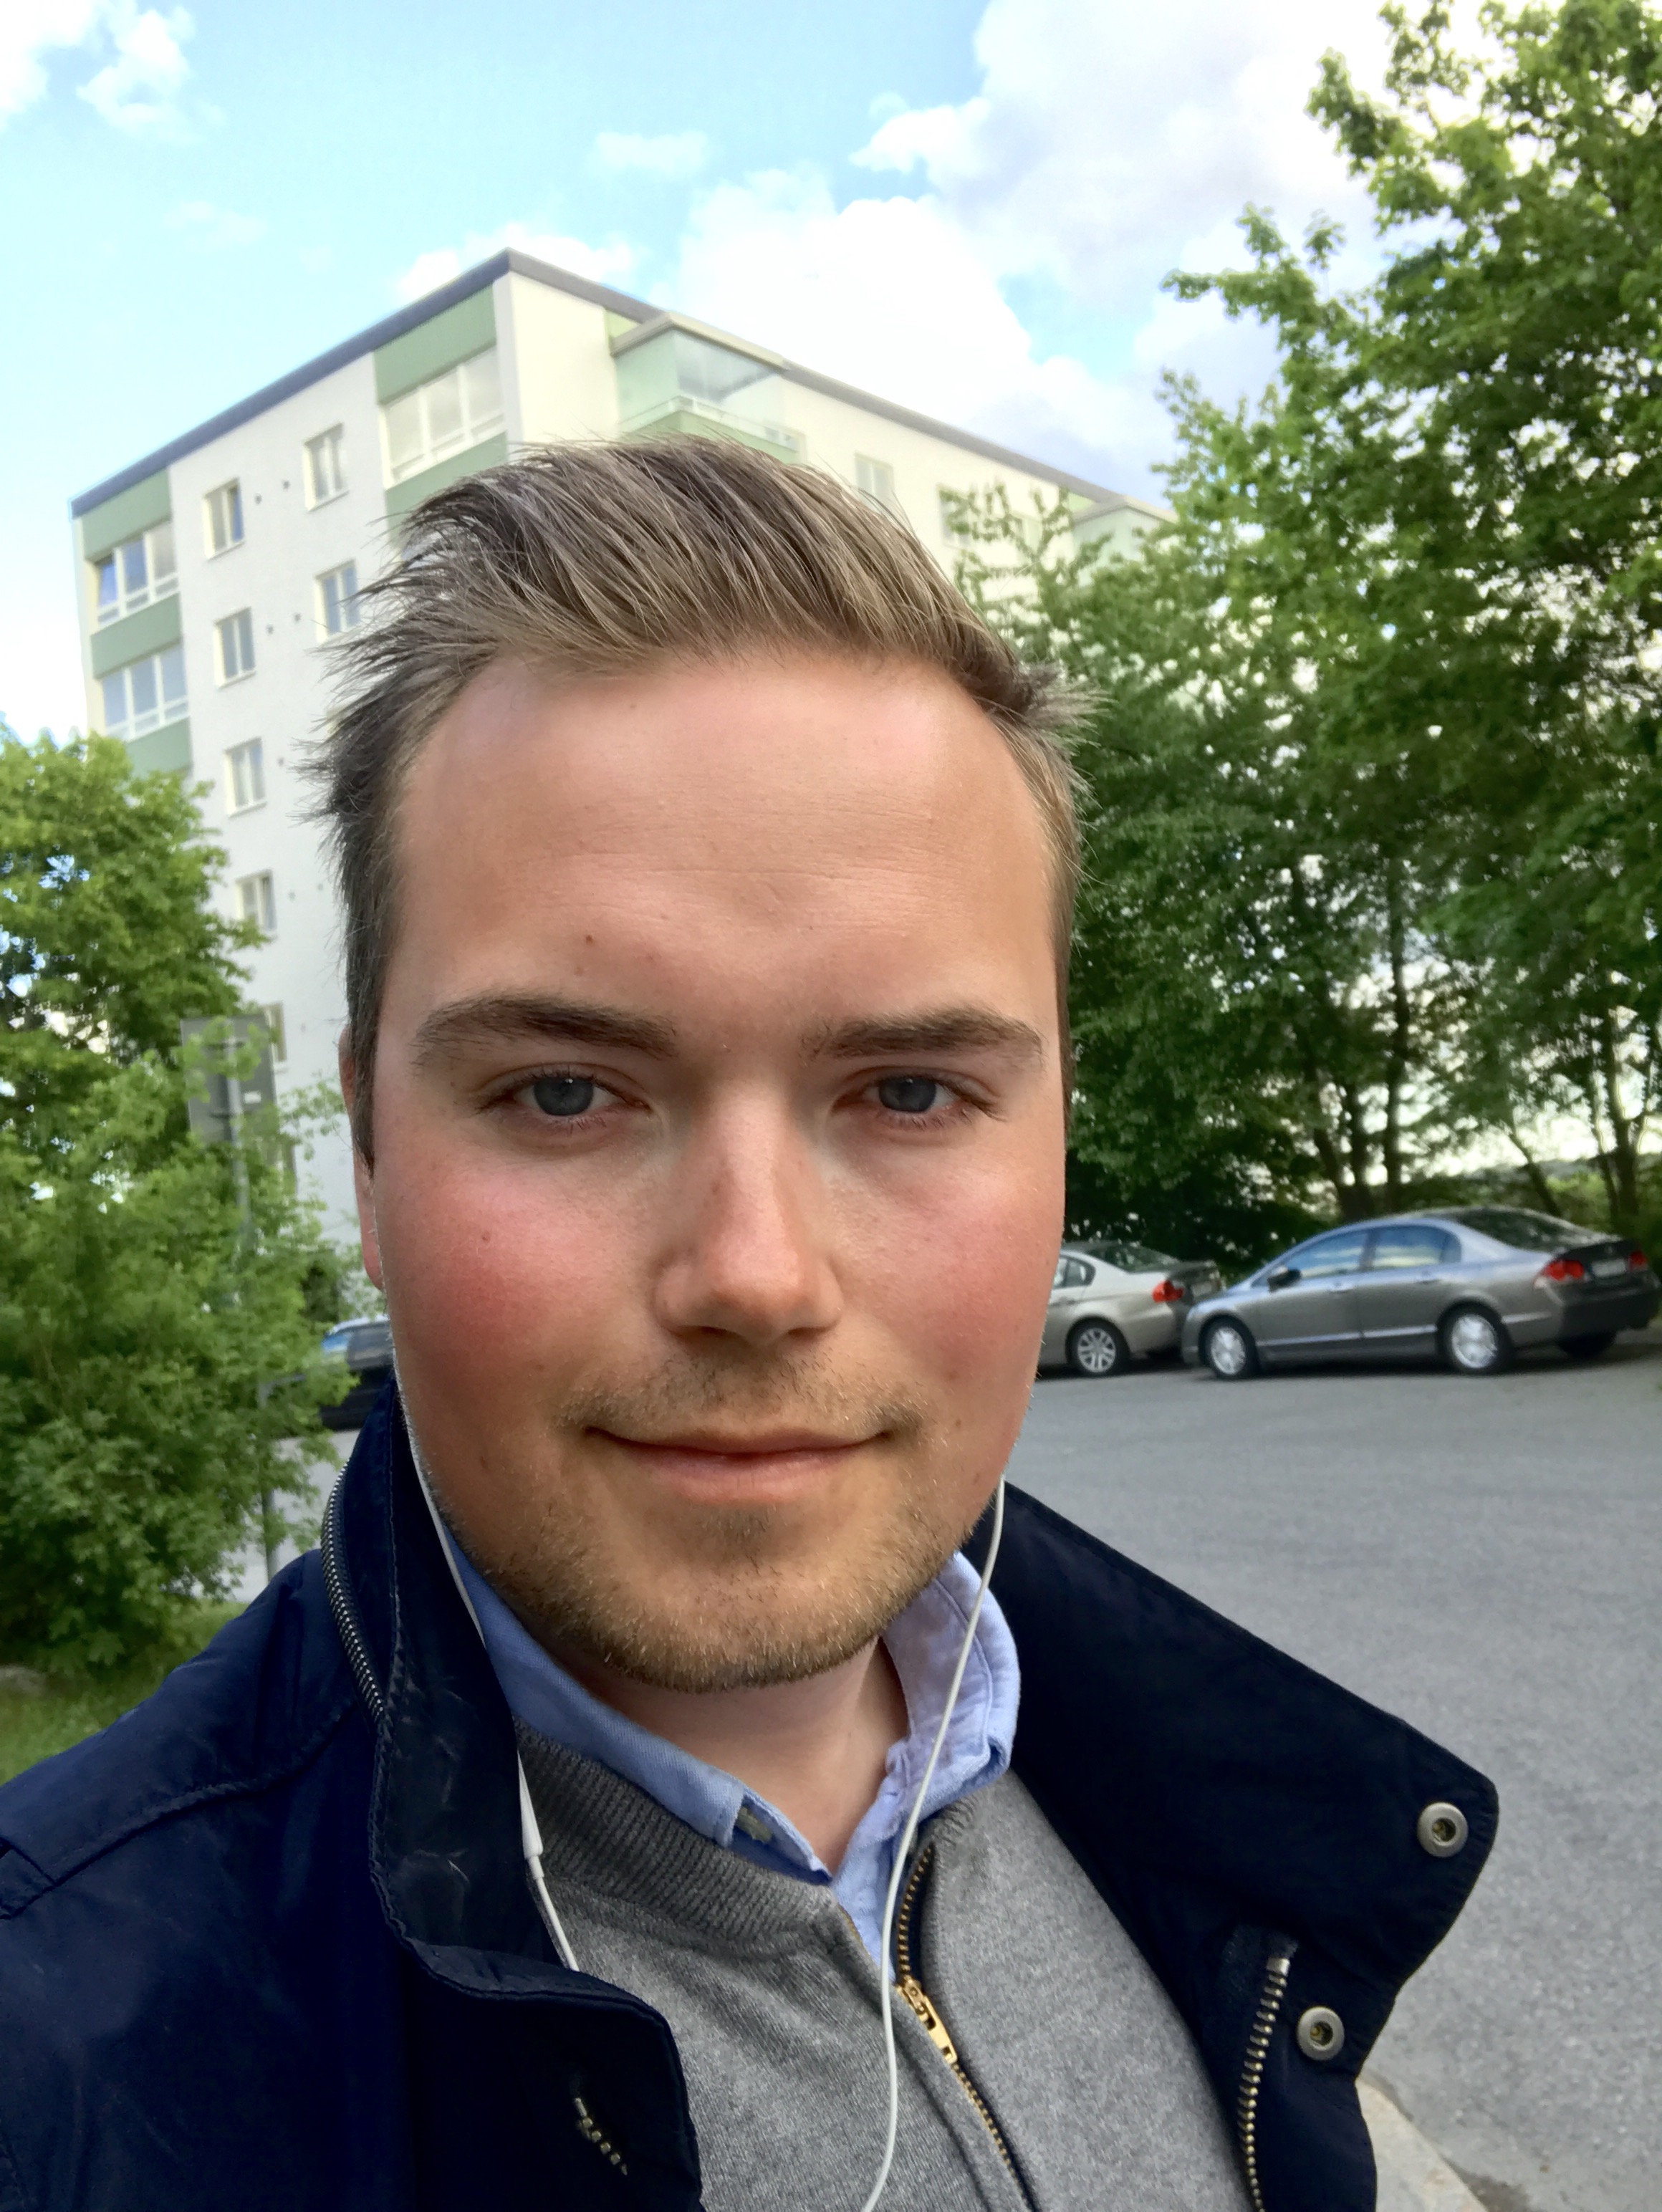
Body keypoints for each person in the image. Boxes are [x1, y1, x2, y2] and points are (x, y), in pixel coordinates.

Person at [0, 441, 1494, 2212]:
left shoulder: (1189, 1806)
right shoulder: (64, 2064)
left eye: (910, 1090)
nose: (756, 1274)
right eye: (565, 1089)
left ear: (1055, 1136)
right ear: (372, 1154)